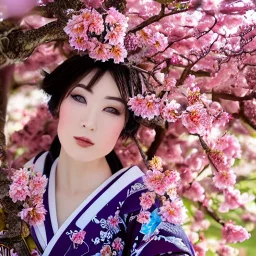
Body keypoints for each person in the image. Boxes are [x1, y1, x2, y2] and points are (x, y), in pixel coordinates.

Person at [25, 55, 195, 256]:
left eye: (111, 109)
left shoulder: (143, 202)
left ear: (126, 124)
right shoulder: (23, 183)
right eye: (79, 98)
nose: (90, 122)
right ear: (58, 102)